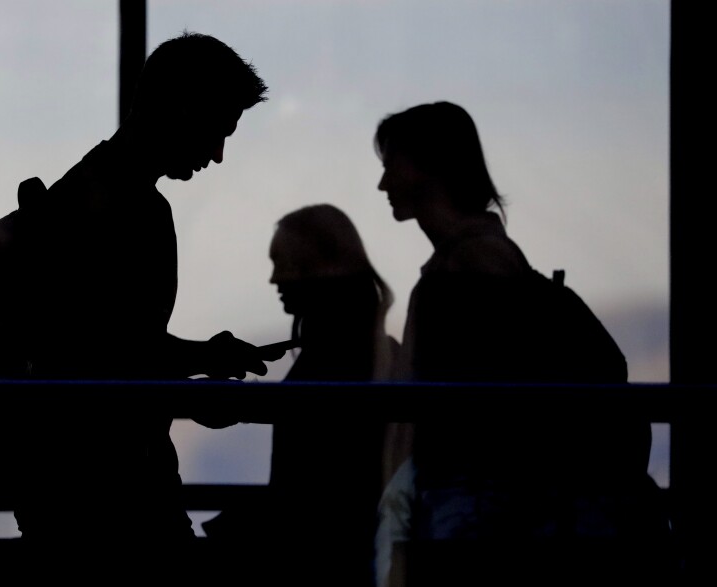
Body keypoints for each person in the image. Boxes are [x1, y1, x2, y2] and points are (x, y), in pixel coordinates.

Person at [0, 31, 270, 585]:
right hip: (116, 502)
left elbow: (101, 346)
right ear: (184, 109)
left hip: (64, 503)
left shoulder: (57, 216)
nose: (217, 153)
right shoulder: (135, 216)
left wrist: (199, 359)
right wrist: (197, 375)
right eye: (218, 131)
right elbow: (105, 361)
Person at [372, 101, 674, 584]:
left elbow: (455, 423)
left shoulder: (467, 276)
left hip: (473, 526)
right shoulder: (485, 267)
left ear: (430, 166)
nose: (383, 184)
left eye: (392, 165)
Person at [203, 203, 398, 587]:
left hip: (322, 551)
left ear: (320, 265)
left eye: (285, 263)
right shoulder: (351, 337)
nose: (275, 279)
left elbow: (320, 410)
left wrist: (236, 402)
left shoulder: (340, 346)